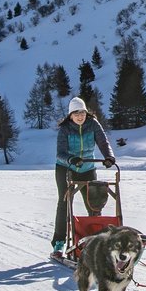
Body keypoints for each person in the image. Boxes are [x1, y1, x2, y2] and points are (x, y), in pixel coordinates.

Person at [51, 97, 116, 260]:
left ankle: (95, 242)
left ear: (86, 113)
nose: (80, 116)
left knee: (94, 203)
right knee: (64, 203)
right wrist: (71, 159)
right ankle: (59, 244)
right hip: (66, 168)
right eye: (76, 113)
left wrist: (109, 156)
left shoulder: (93, 124)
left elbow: (103, 141)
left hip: (87, 167)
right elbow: (60, 152)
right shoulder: (65, 129)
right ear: (70, 115)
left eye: (82, 113)